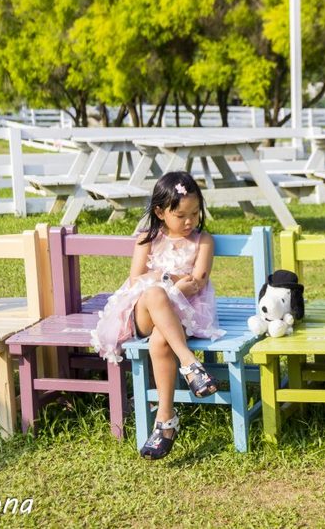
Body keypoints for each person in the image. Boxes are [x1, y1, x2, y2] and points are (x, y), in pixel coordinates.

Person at [91, 171, 224, 459]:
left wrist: (168, 283)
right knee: (154, 294)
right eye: (181, 215)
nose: (189, 221)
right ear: (160, 212)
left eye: (195, 213)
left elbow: (197, 282)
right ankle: (190, 364)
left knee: (160, 339)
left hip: (185, 316)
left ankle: (165, 421)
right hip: (143, 314)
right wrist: (169, 278)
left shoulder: (203, 241)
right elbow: (136, 280)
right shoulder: (147, 239)